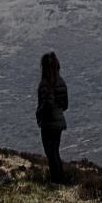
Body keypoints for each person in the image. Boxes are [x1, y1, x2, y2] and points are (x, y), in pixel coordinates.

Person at [35, 51, 69, 185]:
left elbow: (47, 104)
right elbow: (65, 105)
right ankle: (61, 181)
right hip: (59, 122)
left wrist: (39, 113)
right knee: (56, 153)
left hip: (48, 123)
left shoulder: (45, 83)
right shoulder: (61, 82)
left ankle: (56, 183)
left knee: (51, 154)